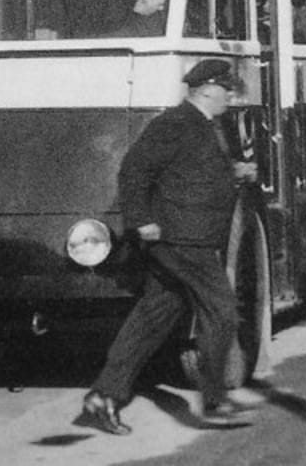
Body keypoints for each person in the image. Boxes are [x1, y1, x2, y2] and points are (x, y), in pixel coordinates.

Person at [75, 59, 259, 435]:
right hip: (180, 240)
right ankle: (213, 400)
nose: (229, 96)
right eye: (225, 89)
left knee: (152, 318)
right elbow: (134, 170)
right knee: (221, 311)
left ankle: (103, 396)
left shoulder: (204, 125)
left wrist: (234, 172)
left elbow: (192, 171)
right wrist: (141, 220)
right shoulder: (175, 124)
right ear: (207, 90)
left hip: (187, 238)